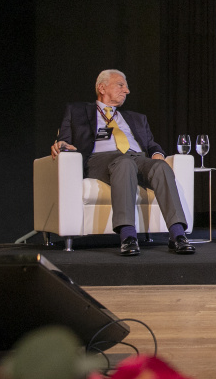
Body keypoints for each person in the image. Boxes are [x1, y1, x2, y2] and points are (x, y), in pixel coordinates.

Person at [51, 69, 194, 256]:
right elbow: (65, 140)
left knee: (160, 167)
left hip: (138, 158)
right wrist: (61, 144)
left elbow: (152, 145)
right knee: (124, 163)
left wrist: (157, 154)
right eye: (121, 85)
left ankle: (178, 235)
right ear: (102, 88)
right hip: (100, 159)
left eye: (126, 87)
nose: (127, 90)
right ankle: (128, 237)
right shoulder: (77, 111)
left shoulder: (137, 118)